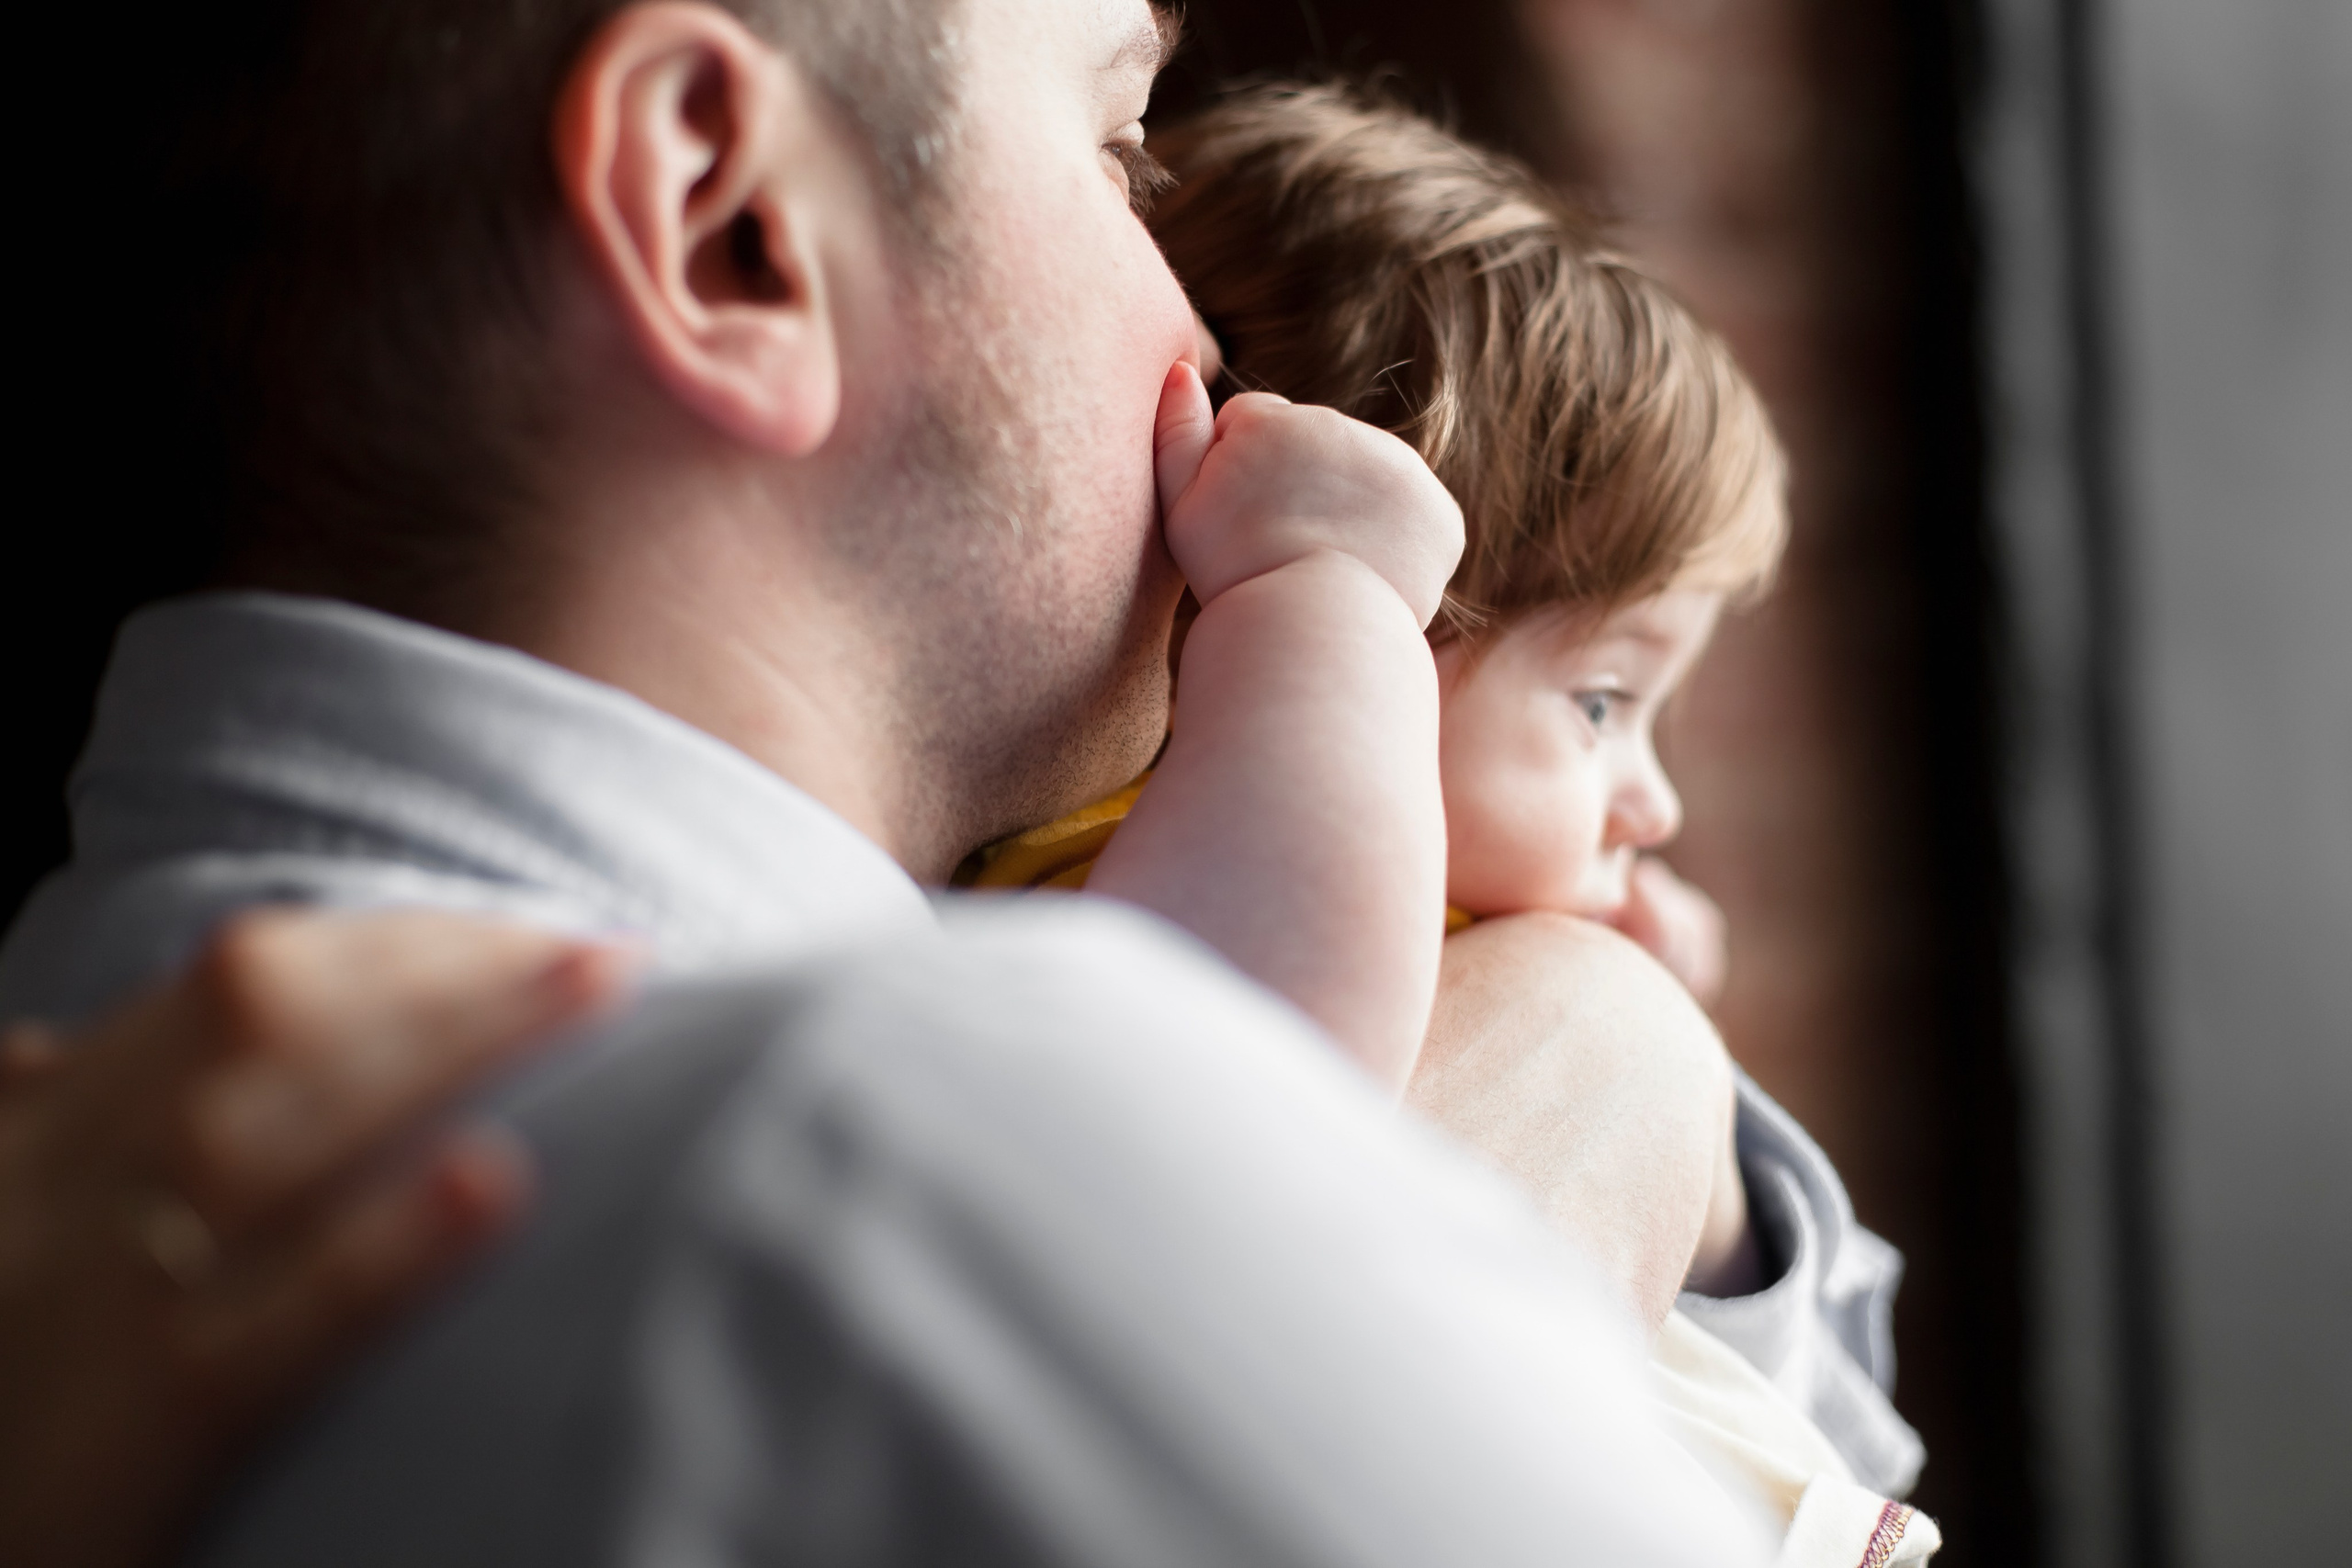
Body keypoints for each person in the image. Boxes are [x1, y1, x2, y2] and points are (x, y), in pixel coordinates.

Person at [0, 1, 1886, 1562]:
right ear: (727, 224)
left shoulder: (86, 1136)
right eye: (1119, 148)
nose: (1211, 328)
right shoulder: (885, 1159)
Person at [962, 81, 1928, 1522]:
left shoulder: (1480, 957)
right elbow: (1237, 1101)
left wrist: (1697, 1142)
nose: (1650, 802)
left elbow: (1858, 1429)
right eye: (1602, 705)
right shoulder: (1159, 872)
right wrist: (1326, 605)